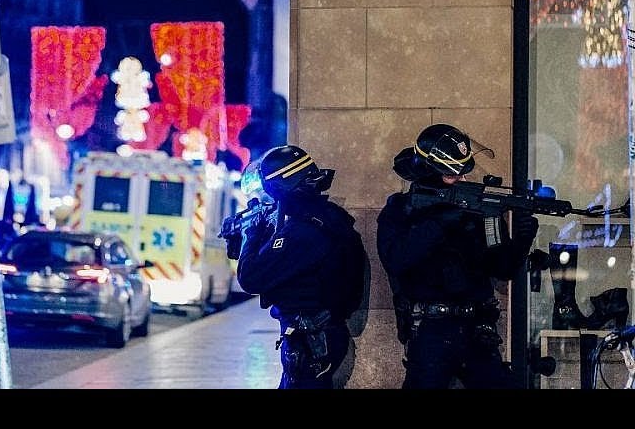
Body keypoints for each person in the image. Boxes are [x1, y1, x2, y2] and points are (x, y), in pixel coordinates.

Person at [376, 123, 538, 389]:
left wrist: (522, 240)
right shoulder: (401, 210)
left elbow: (502, 268)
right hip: (429, 330)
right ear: (429, 172)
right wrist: (439, 224)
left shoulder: (477, 211)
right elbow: (396, 259)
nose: (462, 180)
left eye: (463, 173)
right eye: (452, 175)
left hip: (476, 329)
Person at [224, 145, 366, 389]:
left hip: (312, 341)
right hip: (318, 335)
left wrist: (251, 236)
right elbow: (280, 263)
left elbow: (251, 278)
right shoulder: (325, 217)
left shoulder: (302, 231)